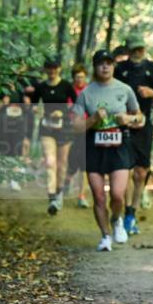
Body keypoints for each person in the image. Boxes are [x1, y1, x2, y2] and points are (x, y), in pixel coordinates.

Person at [73, 50, 145, 251]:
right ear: (95, 67)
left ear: (114, 66)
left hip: (119, 145)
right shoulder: (86, 93)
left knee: (117, 195)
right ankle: (105, 236)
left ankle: (117, 219)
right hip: (93, 146)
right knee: (98, 196)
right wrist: (93, 119)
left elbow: (141, 118)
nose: (105, 67)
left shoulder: (125, 89)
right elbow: (76, 127)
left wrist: (128, 119)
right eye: (100, 63)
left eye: (109, 63)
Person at [114, 33, 153, 234]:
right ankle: (121, 214)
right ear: (128, 51)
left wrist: (152, 93)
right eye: (134, 49)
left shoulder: (152, 68)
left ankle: (131, 214)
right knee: (123, 171)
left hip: (145, 126)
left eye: (141, 49)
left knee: (140, 172)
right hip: (123, 126)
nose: (138, 52)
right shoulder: (120, 70)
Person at [30, 55, 77, 215]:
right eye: (49, 67)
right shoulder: (41, 87)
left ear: (59, 69)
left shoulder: (66, 86)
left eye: (55, 67)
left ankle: (59, 194)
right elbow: (33, 105)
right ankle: (51, 197)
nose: (52, 71)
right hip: (47, 128)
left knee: (62, 164)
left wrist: (64, 112)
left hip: (64, 128)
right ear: (45, 69)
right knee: (50, 162)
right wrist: (36, 109)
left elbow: (77, 104)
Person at [0, 74, 32, 190]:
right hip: (2, 127)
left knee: (16, 152)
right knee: (4, 151)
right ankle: (4, 177)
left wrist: (27, 103)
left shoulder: (20, 91)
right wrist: (3, 103)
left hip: (18, 127)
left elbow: (28, 109)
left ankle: (14, 180)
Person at [66, 64, 92, 208]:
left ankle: (81, 196)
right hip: (71, 130)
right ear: (73, 78)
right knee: (71, 162)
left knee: (85, 165)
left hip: (88, 130)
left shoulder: (91, 90)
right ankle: (66, 182)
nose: (80, 79)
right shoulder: (69, 91)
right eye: (77, 77)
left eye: (82, 77)